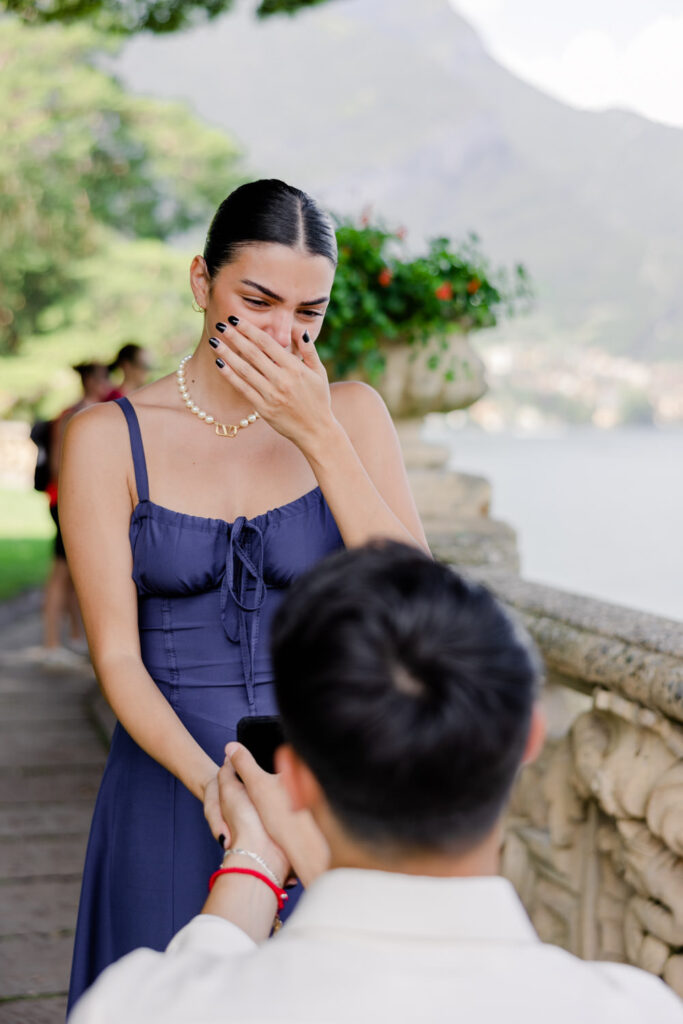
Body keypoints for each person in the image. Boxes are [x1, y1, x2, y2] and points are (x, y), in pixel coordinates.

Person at [60, 179, 428, 1011]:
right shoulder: (107, 438)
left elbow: (420, 606)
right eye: (257, 302)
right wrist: (214, 789)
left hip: (325, 791)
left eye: (308, 313)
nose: (282, 334)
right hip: (170, 781)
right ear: (201, 282)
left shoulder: (352, 415)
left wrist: (318, 435)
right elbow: (115, 656)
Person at [69, 542, 680, 1023]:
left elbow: (194, 976)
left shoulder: (139, 1005)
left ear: (297, 776)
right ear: (529, 739)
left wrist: (253, 861)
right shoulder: (637, 1011)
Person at [38, 362, 111, 667]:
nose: (109, 383)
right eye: (105, 377)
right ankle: (51, 644)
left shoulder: (96, 412)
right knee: (60, 572)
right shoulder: (75, 415)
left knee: (73, 572)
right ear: (92, 380)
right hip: (68, 501)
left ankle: (75, 636)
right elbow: (58, 465)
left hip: (79, 500)